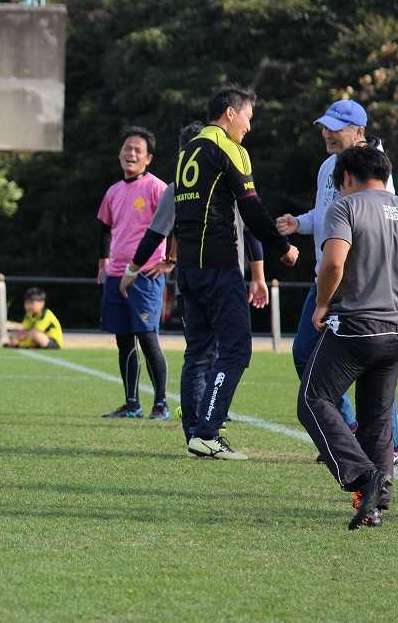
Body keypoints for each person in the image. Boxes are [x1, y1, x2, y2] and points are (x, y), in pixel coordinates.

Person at [296, 144, 398, 529]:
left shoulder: (346, 208)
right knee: (377, 418)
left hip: (356, 325)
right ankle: (376, 503)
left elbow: (334, 262)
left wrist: (322, 303)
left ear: (345, 177)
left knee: (313, 399)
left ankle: (362, 476)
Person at [173, 86, 298, 460]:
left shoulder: (187, 151)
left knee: (197, 352)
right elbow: (252, 210)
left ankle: (195, 432)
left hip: (188, 269)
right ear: (230, 112)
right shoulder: (229, 148)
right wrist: (283, 248)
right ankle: (208, 432)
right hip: (219, 267)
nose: (249, 126)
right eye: (248, 117)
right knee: (236, 350)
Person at [276, 101, 398, 463]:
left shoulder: (377, 167)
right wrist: (298, 223)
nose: (327, 133)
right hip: (324, 278)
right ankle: (348, 428)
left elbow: (385, 219)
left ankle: (390, 445)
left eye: (335, 127)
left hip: (360, 282)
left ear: (359, 132)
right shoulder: (327, 167)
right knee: (304, 353)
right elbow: (325, 214)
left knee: (372, 363)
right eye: (324, 126)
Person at [122, 121, 269, 433]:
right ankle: (209, 419)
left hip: (194, 278)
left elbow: (156, 233)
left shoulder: (180, 186)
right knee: (225, 351)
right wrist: (259, 275)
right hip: (224, 275)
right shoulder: (227, 181)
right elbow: (253, 227)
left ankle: (200, 422)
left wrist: (134, 269)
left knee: (201, 353)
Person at [96, 127, 170, 420]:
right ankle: (132, 404)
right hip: (116, 274)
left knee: (147, 337)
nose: (131, 154)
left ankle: (161, 404)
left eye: (138, 150)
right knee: (124, 339)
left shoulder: (157, 188)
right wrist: (103, 262)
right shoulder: (113, 191)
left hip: (145, 275)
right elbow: (105, 228)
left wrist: (171, 260)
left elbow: (175, 222)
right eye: (127, 148)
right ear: (120, 153)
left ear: (148, 158)